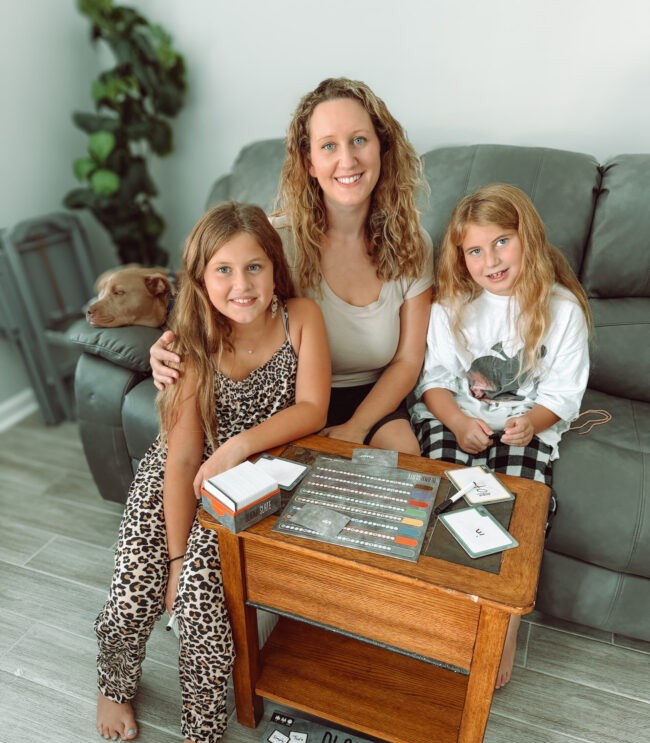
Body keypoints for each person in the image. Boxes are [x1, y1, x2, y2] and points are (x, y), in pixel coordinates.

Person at [94, 202, 330, 743]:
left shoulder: (301, 318)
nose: (241, 285)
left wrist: (240, 449)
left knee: (201, 608)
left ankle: (200, 735)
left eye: (254, 268)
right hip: (179, 473)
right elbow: (180, 461)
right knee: (132, 591)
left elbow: (313, 411)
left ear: (275, 270)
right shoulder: (195, 343)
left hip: (250, 479)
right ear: (200, 279)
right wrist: (174, 558)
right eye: (222, 271)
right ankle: (114, 680)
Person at [151, 78, 434, 455]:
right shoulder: (277, 242)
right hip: (290, 397)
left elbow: (408, 358)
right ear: (309, 163)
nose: (347, 160)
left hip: (375, 398)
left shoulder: (412, 243)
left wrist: (356, 427)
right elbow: (216, 301)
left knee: (404, 457)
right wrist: (170, 352)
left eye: (360, 140)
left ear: (382, 147)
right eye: (329, 146)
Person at [409, 183, 592, 688]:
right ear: (460, 256)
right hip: (457, 420)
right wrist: (458, 422)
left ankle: (503, 624)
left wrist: (532, 423)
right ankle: (445, 613)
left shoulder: (562, 311)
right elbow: (435, 381)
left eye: (501, 242)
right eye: (474, 250)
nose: (490, 259)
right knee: (446, 500)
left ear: (527, 238)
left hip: (528, 428)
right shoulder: (452, 306)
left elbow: (564, 393)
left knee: (520, 511)